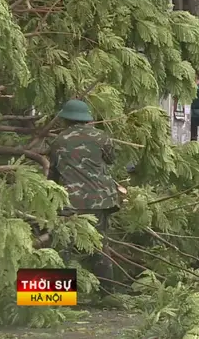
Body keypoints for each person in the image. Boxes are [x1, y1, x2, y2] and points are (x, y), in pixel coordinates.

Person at [48, 99, 120, 293]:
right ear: (87, 119)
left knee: (63, 247)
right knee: (98, 245)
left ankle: (55, 296)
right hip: (100, 200)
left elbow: (53, 175)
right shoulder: (101, 137)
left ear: (65, 119)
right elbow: (112, 159)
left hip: (70, 202)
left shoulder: (58, 141)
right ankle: (107, 293)